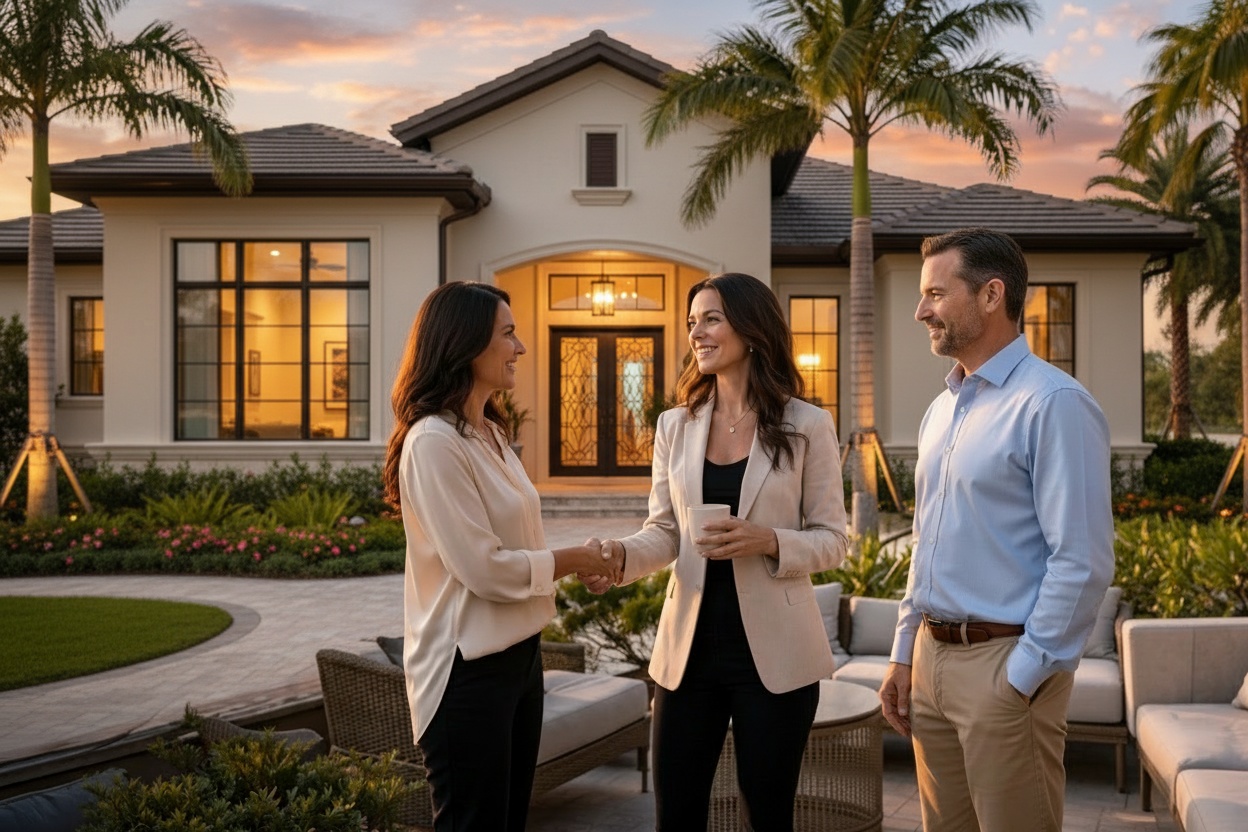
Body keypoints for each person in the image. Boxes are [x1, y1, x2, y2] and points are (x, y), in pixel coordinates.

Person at [589, 272, 850, 831]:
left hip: (776, 659)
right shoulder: (674, 426)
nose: (697, 333)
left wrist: (770, 541)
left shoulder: (808, 424)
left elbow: (835, 540)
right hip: (687, 656)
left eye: (711, 319)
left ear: (752, 329)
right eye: (691, 322)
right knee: (676, 814)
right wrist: (619, 557)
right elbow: (664, 531)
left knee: (768, 814)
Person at [878, 227, 1114, 832]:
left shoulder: (1054, 403)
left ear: (991, 294)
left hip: (1004, 668)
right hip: (932, 665)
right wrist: (906, 654)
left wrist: (1024, 675)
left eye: (935, 292)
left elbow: (1082, 560)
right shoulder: (941, 409)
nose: (920, 310)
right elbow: (925, 540)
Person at [381, 281, 622, 832]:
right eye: (508, 334)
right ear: (466, 345)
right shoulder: (433, 441)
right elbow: (484, 568)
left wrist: (575, 564)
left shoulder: (488, 432)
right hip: (466, 671)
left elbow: (521, 546)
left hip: (519, 657)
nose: (521, 347)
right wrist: (574, 559)